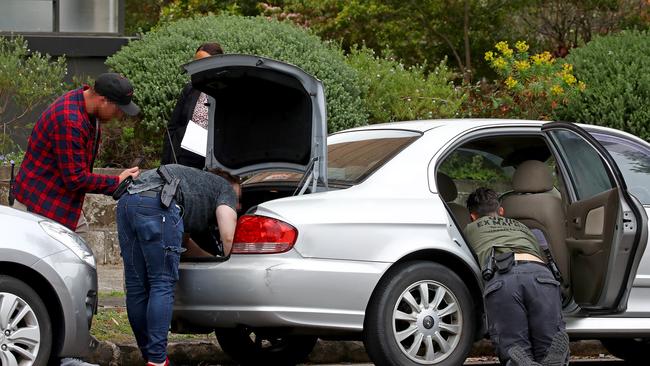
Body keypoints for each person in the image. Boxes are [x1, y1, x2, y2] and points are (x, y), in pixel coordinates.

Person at [115, 164, 240, 366]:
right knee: (161, 283)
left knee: (136, 286)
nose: (238, 205)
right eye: (238, 200)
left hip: (127, 202)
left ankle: (151, 357)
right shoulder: (225, 188)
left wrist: (212, 259)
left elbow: (183, 243)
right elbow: (228, 235)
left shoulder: (194, 185)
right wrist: (232, 265)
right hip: (159, 203)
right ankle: (157, 360)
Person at [13, 73, 141, 234]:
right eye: (118, 109)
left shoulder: (85, 106)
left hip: (57, 203)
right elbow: (75, 179)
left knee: (81, 251)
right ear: (103, 100)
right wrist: (116, 181)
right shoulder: (70, 121)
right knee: (77, 254)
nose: (119, 115)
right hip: (39, 207)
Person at [464, 187, 569, 366]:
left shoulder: (470, 229)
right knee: (549, 346)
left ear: (473, 217)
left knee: (515, 348)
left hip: (503, 279)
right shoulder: (525, 228)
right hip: (541, 276)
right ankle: (552, 357)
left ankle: (519, 360)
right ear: (502, 212)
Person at [161, 42, 224, 168]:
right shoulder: (191, 88)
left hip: (213, 158)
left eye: (204, 62)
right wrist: (165, 162)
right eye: (197, 62)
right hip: (185, 156)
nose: (199, 66)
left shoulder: (226, 90)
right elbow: (173, 126)